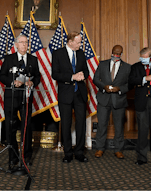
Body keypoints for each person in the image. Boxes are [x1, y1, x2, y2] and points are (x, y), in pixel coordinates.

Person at [0, 34, 41, 168]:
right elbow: (1, 75)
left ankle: (26, 155)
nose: (24, 45)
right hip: (11, 97)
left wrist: (32, 82)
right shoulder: (9, 59)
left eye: (26, 42)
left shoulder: (33, 60)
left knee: (26, 126)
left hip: (26, 97)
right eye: (21, 42)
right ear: (16, 45)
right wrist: (12, 82)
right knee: (10, 126)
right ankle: (13, 156)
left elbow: (38, 76)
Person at [52, 32, 89, 163]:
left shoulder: (81, 53)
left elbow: (86, 71)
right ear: (70, 42)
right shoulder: (58, 53)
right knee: (66, 124)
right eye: (78, 42)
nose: (80, 44)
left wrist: (82, 75)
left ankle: (79, 152)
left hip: (80, 93)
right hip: (65, 94)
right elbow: (55, 74)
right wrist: (71, 77)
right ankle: (67, 153)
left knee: (81, 124)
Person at [93, 45, 131, 159]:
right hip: (104, 99)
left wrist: (119, 89)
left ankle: (118, 150)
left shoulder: (127, 67)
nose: (116, 56)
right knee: (102, 125)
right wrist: (104, 86)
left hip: (119, 100)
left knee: (119, 127)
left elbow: (130, 84)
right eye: (114, 53)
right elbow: (95, 79)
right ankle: (99, 148)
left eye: (118, 54)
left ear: (122, 54)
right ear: (111, 52)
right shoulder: (103, 64)